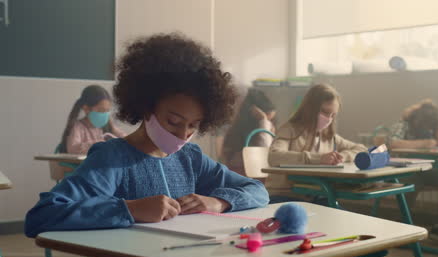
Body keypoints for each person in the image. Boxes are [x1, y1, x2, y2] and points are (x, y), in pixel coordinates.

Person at [25, 33, 269, 239]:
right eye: (173, 122)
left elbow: (257, 190)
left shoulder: (190, 158)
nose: (183, 135)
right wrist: (129, 209)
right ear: (146, 107)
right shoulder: (113, 159)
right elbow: (42, 215)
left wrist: (219, 202)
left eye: (194, 125)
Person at [267, 83, 367, 203]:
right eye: (325, 112)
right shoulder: (289, 130)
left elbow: (361, 148)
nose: (328, 119)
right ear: (310, 109)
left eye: (333, 115)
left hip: (315, 194)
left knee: (339, 216)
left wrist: (342, 156)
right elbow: (274, 156)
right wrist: (318, 159)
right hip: (285, 195)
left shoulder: (328, 135)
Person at [389, 99, 438, 237]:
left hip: (425, 170)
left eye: (431, 125)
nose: (427, 128)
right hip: (403, 170)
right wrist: (424, 142)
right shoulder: (403, 125)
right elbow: (393, 143)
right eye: (425, 124)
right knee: (414, 182)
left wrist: (437, 128)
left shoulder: (431, 128)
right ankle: (402, 223)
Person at [221, 89, 276, 176]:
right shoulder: (239, 142)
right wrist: (264, 122)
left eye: (271, 121)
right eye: (267, 121)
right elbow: (266, 155)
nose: (270, 126)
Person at [58, 85, 126, 154]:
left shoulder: (107, 126)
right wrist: (98, 144)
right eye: (101, 110)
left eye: (107, 111)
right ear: (86, 109)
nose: (105, 114)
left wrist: (112, 128)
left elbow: (126, 141)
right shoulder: (78, 127)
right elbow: (73, 148)